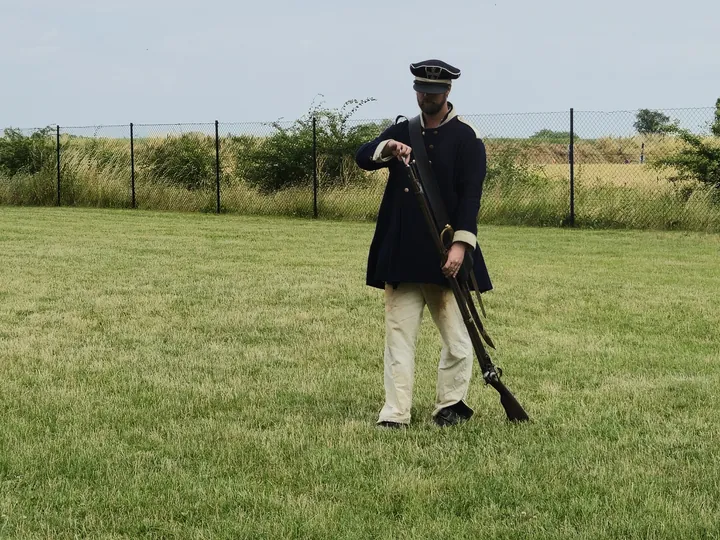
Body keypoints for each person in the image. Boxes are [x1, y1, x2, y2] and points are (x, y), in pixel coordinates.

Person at [355, 59, 492, 428]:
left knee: (460, 342)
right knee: (399, 338)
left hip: (444, 254)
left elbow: (470, 199)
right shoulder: (403, 129)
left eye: (433, 93)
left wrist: (460, 247)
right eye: (421, 91)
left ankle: (450, 405)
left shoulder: (467, 138)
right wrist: (388, 147)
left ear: (447, 92)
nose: (426, 97)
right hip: (402, 253)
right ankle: (395, 413)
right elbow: (363, 156)